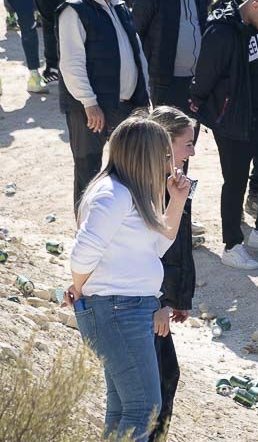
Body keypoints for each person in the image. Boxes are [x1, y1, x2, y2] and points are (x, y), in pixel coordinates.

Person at [66, 117, 191, 442]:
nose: (170, 162)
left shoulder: (128, 192)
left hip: (125, 310)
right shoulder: (114, 194)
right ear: (144, 155)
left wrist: (175, 201)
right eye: (164, 155)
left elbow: (159, 244)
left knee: (124, 408)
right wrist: (80, 289)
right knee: (143, 407)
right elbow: (82, 254)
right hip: (118, 310)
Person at [190, 0, 258, 270]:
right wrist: (199, 105)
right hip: (234, 122)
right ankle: (232, 245)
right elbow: (205, 74)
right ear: (255, 5)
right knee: (235, 182)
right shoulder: (222, 31)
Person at [59, 0, 151, 205]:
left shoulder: (119, 4)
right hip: (90, 108)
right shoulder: (74, 10)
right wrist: (90, 102)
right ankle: (85, 233)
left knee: (132, 168)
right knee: (88, 172)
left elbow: (136, 51)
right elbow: (71, 62)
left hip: (125, 103)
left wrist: (143, 93)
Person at [143, 105, 199, 442]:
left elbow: (181, 245)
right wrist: (160, 303)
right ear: (166, 145)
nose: (193, 151)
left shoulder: (171, 180)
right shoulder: (148, 187)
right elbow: (149, 254)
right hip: (144, 302)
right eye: (188, 143)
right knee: (155, 387)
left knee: (166, 378)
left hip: (157, 300)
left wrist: (180, 298)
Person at [132, 0, 207, 109]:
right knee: (169, 134)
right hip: (165, 83)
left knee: (190, 133)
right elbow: (135, 35)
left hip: (197, 81)